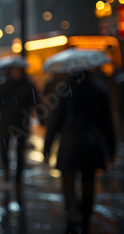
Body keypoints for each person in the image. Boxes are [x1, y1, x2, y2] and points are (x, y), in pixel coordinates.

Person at [44, 71, 115, 234]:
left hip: (70, 143)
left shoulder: (64, 89)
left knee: (68, 178)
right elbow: (107, 122)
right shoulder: (100, 89)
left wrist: (47, 147)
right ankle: (86, 214)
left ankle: (72, 210)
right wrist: (111, 149)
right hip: (91, 144)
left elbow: (55, 121)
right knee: (88, 180)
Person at [0, 66, 37, 196]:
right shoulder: (4, 85)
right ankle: (6, 171)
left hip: (21, 123)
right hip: (5, 123)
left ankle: (17, 179)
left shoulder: (28, 86)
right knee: (4, 150)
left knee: (20, 152)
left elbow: (35, 102)